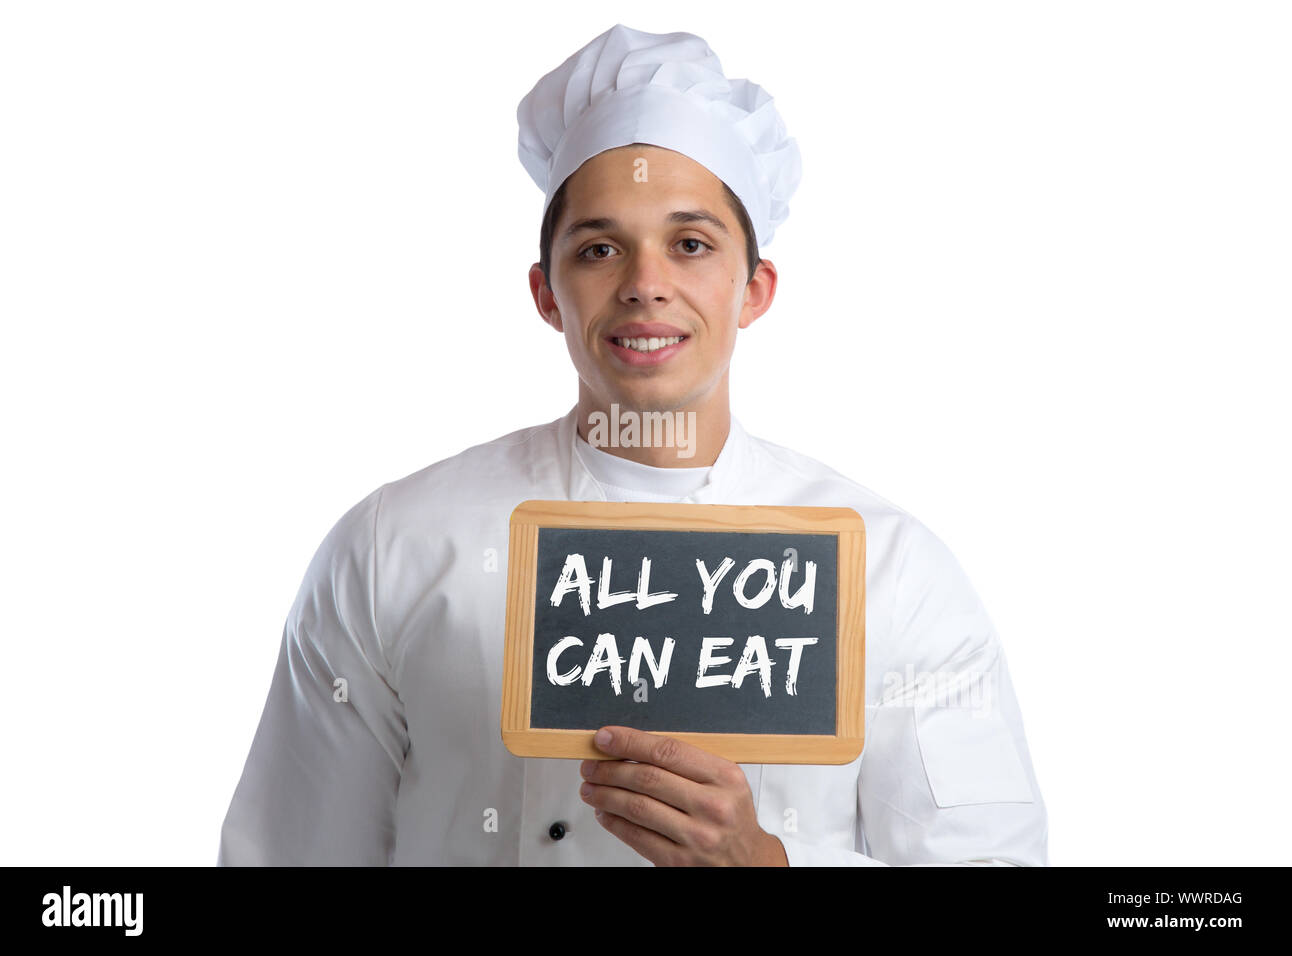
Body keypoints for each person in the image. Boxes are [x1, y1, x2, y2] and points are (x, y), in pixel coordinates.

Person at [217, 23, 1048, 866]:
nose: (646, 284)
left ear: (752, 290)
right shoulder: (394, 545)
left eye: (690, 245)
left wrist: (768, 864)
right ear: (547, 294)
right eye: (600, 248)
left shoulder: (891, 573)